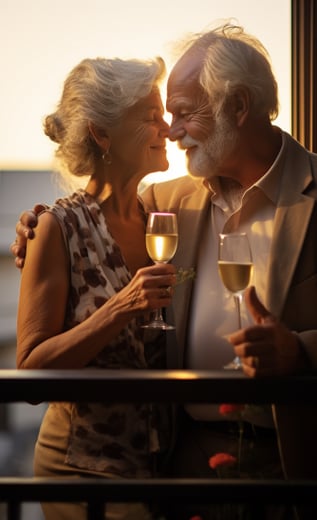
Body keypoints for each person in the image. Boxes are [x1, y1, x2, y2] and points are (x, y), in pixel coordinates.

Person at [12, 23, 317, 519]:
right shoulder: (169, 202)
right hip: (181, 465)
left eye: (180, 114)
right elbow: (89, 216)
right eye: (159, 115)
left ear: (237, 107)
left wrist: (301, 351)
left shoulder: (309, 193)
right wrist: (36, 227)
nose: (171, 131)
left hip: (295, 463)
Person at [13, 55, 177, 520]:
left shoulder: (162, 215)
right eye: (151, 117)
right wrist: (120, 308)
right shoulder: (55, 227)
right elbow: (29, 371)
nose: (166, 127)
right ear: (102, 134)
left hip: (156, 468)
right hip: (83, 469)